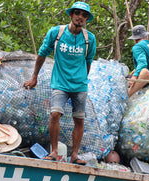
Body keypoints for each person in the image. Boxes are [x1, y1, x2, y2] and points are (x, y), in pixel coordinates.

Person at [23, 1, 96, 165]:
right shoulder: (57, 32)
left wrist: (82, 79)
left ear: (86, 19)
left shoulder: (89, 39)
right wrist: (34, 77)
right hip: (60, 83)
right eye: (77, 13)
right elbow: (42, 54)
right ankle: (54, 152)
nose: (80, 17)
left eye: (84, 15)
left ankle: (75, 155)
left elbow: (88, 61)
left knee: (79, 119)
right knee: (55, 114)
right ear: (71, 15)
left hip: (79, 86)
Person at [127, 25, 149, 97]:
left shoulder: (137, 47)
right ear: (145, 35)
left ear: (135, 39)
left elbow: (143, 63)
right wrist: (137, 69)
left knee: (123, 79)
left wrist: (135, 76)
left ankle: (127, 96)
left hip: (145, 80)